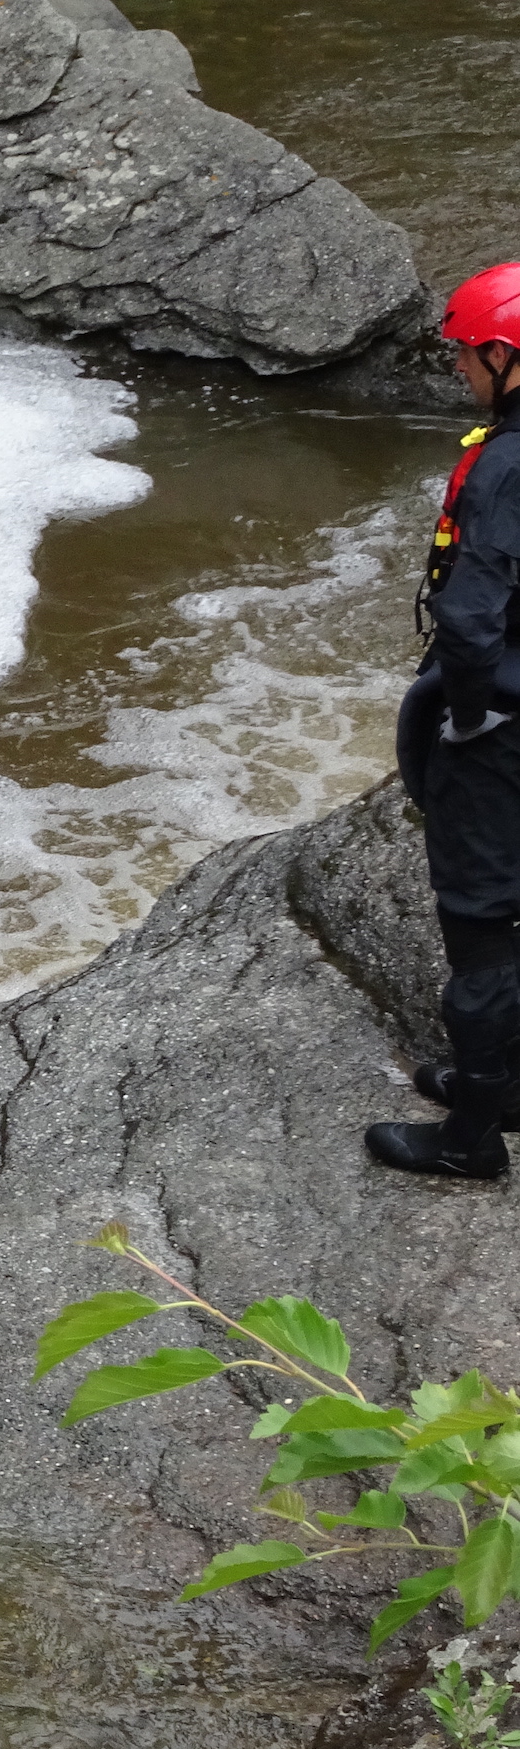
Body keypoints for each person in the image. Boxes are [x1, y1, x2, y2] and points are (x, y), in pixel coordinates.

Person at [372, 262, 520, 1180]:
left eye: (469, 355)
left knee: (481, 922)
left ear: (508, 355)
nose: (462, 370)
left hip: (504, 725)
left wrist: (464, 718)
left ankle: (472, 1136)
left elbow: (469, 618)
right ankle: (503, 1083)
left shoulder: (504, 469)